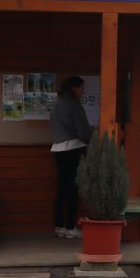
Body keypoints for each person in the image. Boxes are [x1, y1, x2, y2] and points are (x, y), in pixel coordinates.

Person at [49, 76, 91, 239]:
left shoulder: (56, 106)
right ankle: (70, 227)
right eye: (81, 88)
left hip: (58, 150)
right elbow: (83, 132)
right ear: (74, 88)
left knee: (62, 188)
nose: (83, 91)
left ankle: (58, 226)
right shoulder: (75, 106)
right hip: (75, 149)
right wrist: (90, 139)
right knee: (74, 189)